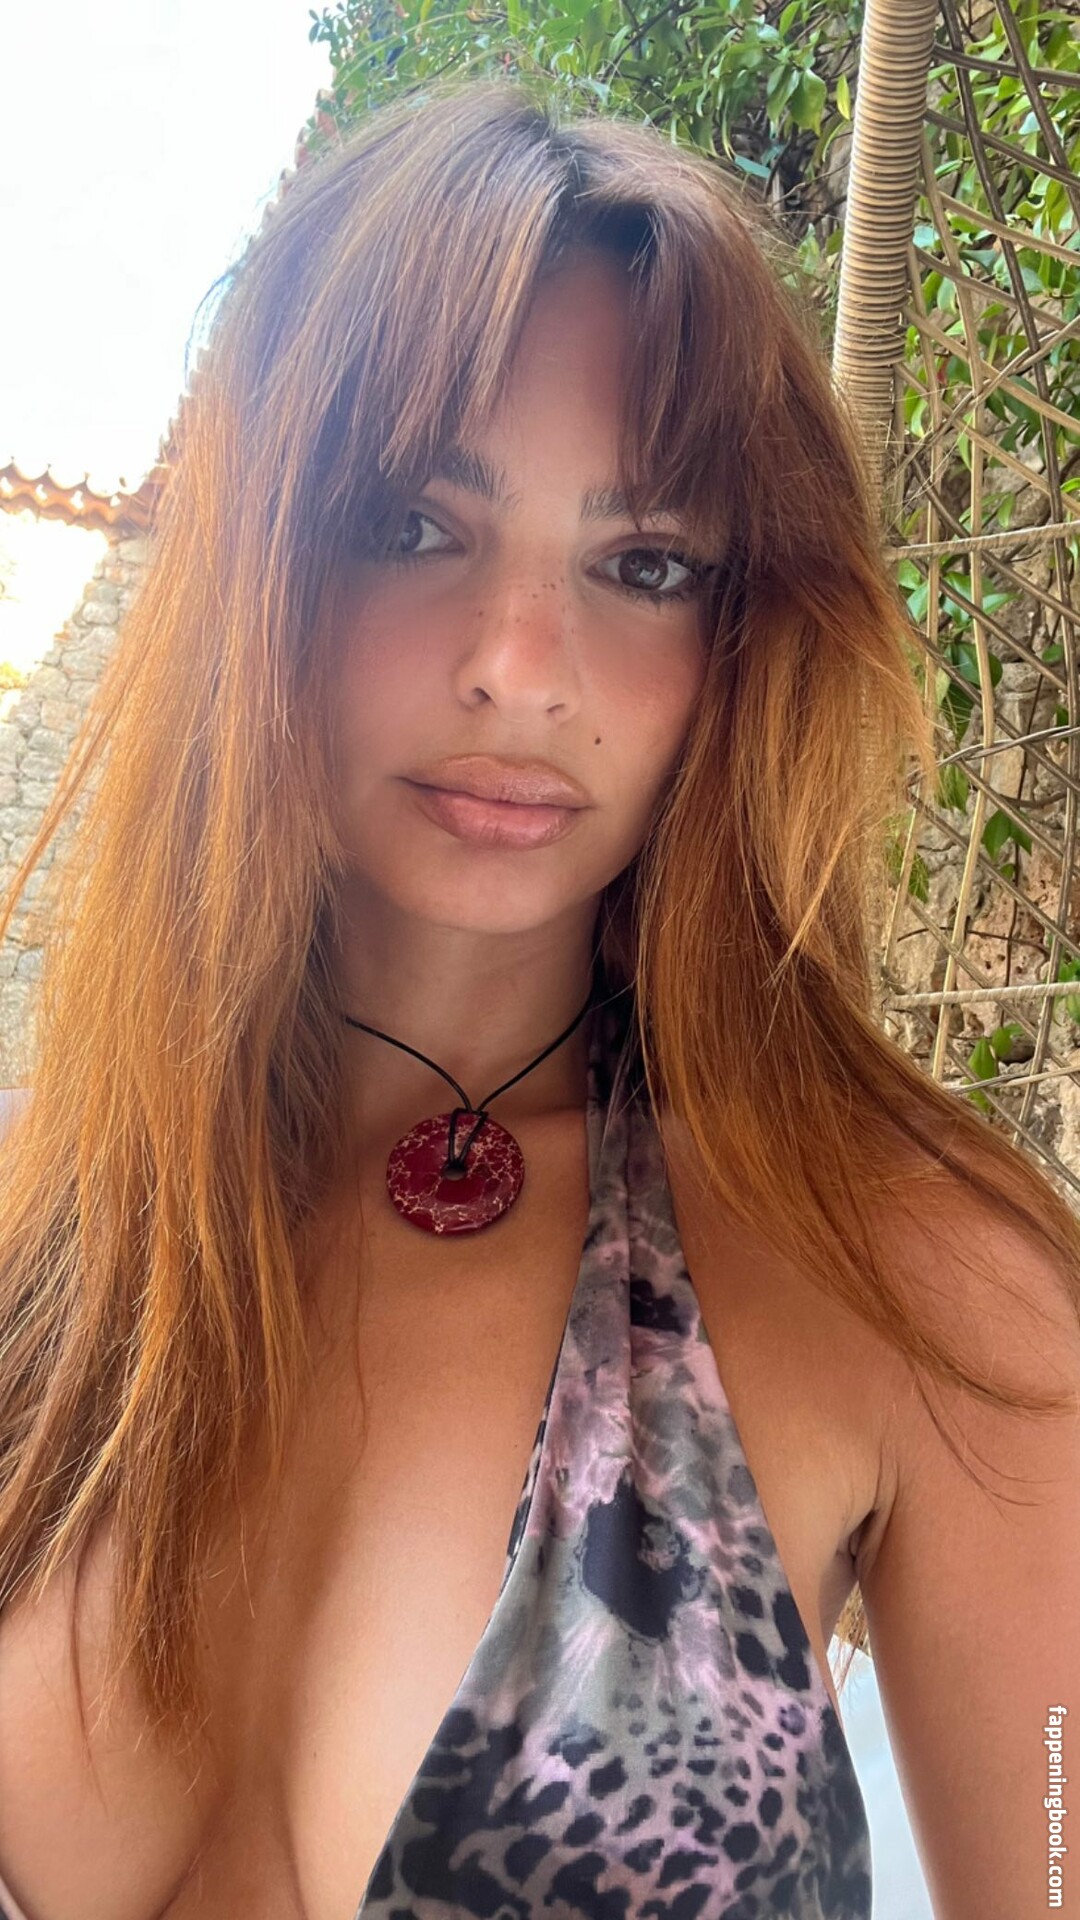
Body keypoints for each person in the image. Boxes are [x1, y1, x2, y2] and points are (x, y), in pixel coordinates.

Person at [0, 75, 1076, 1920]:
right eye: (415, 526)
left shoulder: (919, 1280)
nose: (520, 665)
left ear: (738, 639)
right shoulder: (44, 1221)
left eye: (643, 564)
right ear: (265, 568)